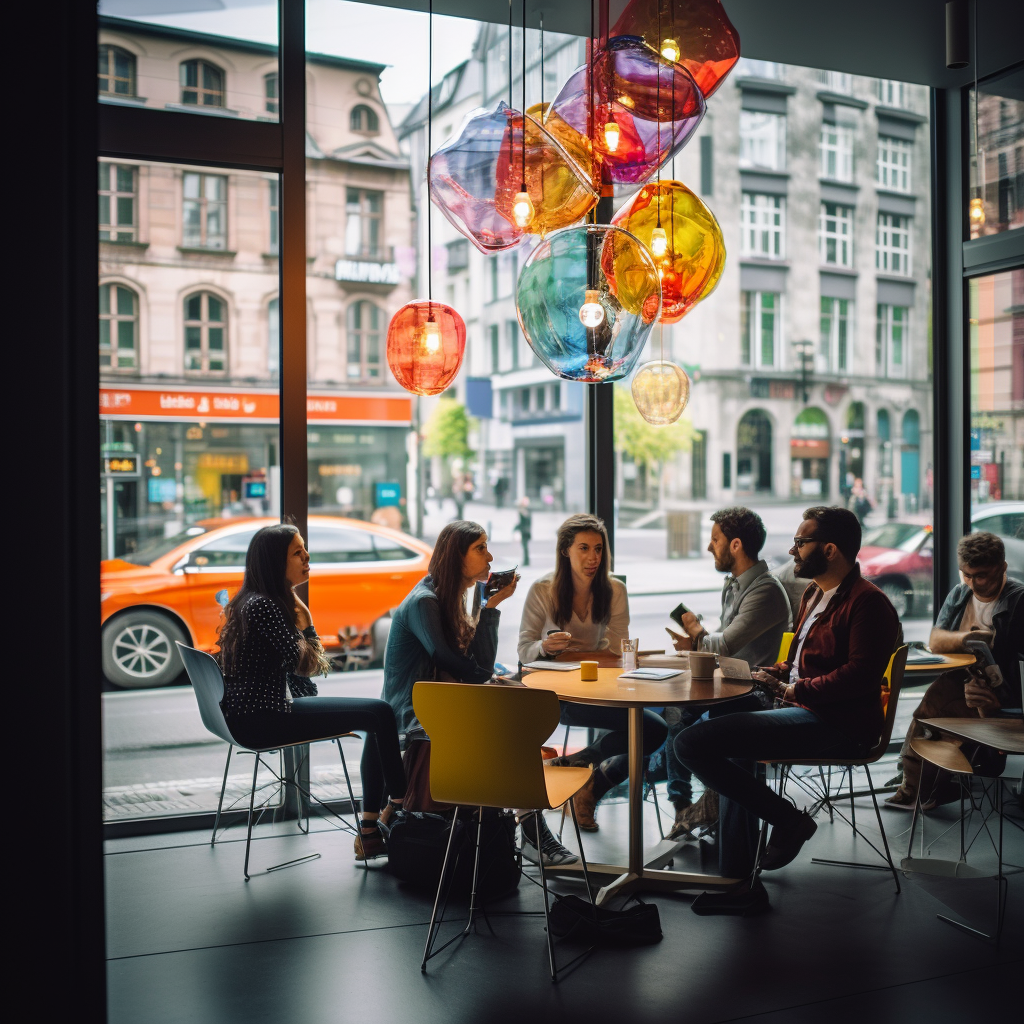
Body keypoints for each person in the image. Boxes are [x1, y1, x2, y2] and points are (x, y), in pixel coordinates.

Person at [674, 506, 901, 914]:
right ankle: (740, 880)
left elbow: (861, 676)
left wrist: (793, 689)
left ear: (829, 549)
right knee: (721, 730)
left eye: (801, 542)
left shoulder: (869, 603)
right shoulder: (815, 593)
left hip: (840, 724)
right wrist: (770, 673)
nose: (793, 551)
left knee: (691, 743)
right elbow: (800, 660)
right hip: (807, 709)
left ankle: (789, 821)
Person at [381, 521, 576, 866]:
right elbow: (453, 662)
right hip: (418, 714)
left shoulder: (454, 597)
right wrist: (493, 677)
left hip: (449, 701)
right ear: (457, 555)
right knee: (507, 721)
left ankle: (529, 825)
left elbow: (477, 666)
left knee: (514, 708)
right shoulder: (425, 601)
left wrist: (489, 608)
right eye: (480, 548)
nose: (490, 556)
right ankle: (531, 827)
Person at [217, 523, 408, 863]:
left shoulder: (247, 601)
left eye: (304, 549)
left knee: (376, 714)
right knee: (380, 713)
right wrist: (306, 621)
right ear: (276, 562)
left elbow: (298, 674)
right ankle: (400, 807)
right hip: (266, 719)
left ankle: (373, 827)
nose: (307, 557)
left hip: (250, 716)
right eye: (297, 552)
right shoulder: (266, 607)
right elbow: (309, 667)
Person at [518, 514, 668, 832]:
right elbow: (523, 653)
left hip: (599, 689)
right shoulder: (543, 589)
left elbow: (616, 651)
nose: (593, 558)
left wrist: (566, 655)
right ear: (565, 551)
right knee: (522, 726)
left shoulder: (615, 590)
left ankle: (584, 775)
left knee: (654, 729)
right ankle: (542, 810)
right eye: (584, 548)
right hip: (555, 694)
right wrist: (545, 647)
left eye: (598, 549)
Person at [662, 507, 792, 840]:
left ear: (735, 545)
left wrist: (693, 629)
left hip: (754, 694)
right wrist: (696, 643)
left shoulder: (766, 590)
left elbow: (723, 646)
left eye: (715, 539)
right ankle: (683, 809)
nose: (709, 547)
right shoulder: (734, 586)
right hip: (727, 686)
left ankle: (708, 806)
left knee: (693, 731)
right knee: (671, 714)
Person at [886, 531, 1024, 811]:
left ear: (1002, 568)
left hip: (1004, 692)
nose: (973, 583)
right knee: (937, 700)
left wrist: (1005, 703)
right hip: (965, 681)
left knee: (938, 704)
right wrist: (967, 639)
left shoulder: (1018, 601)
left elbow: (1019, 670)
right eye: (967, 574)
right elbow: (936, 641)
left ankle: (918, 785)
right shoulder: (961, 593)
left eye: (981, 575)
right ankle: (920, 783)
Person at [513, 496, 532, 566]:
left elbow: (524, 522)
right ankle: (526, 560)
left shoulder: (525, 512)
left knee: (525, 546)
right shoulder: (525, 512)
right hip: (524, 531)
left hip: (525, 531)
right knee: (524, 546)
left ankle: (526, 561)